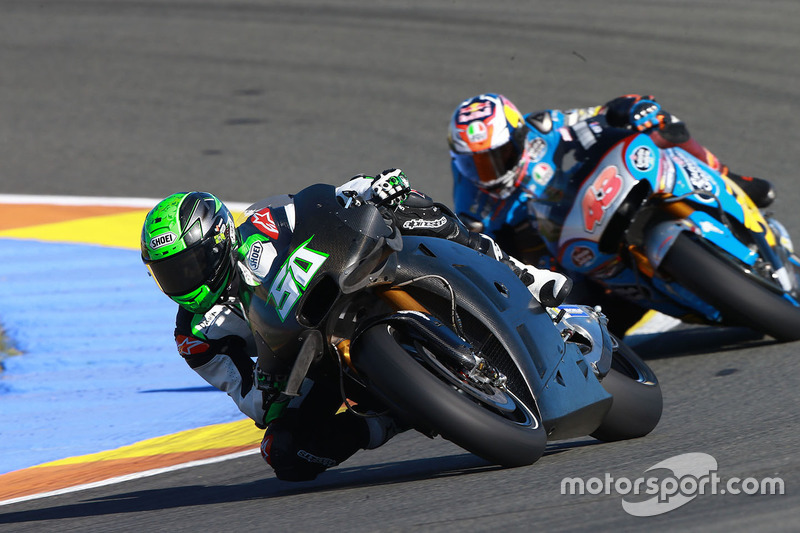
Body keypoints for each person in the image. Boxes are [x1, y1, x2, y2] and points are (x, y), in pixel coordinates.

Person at [140, 169, 571, 482]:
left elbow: (320, 206)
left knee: (407, 204)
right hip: (308, 361)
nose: (183, 282)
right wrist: (267, 391)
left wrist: (367, 189)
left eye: (189, 266)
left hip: (349, 277)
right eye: (169, 275)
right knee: (284, 454)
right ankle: (386, 420)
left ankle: (522, 274)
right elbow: (247, 398)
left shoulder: (263, 225)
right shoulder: (195, 336)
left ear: (219, 241)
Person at [447, 93, 776, 335]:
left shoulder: (544, 127)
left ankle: (731, 178)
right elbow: (487, 258)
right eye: (473, 163)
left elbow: (601, 114)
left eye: (497, 156)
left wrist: (633, 108)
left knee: (663, 129)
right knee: (589, 322)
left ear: (518, 136)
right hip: (566, 254)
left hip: (601, 196)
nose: (487, 171)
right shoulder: (471, 203)